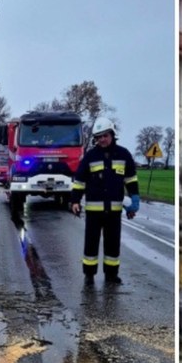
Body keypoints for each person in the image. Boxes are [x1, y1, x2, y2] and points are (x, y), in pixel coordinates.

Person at [70, 117, 140, 286]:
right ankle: (89, 275)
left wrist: (135, 199)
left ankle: (111, 275)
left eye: (105, 135)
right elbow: (80, 181)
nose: (102, 139)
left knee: (113, 245)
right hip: (94, 212)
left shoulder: (123, 154)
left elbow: (131, 180)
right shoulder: (90, 156)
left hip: (114, 212)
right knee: (91, 245)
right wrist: (75, 201)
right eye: (98, 137)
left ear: (112, 135)